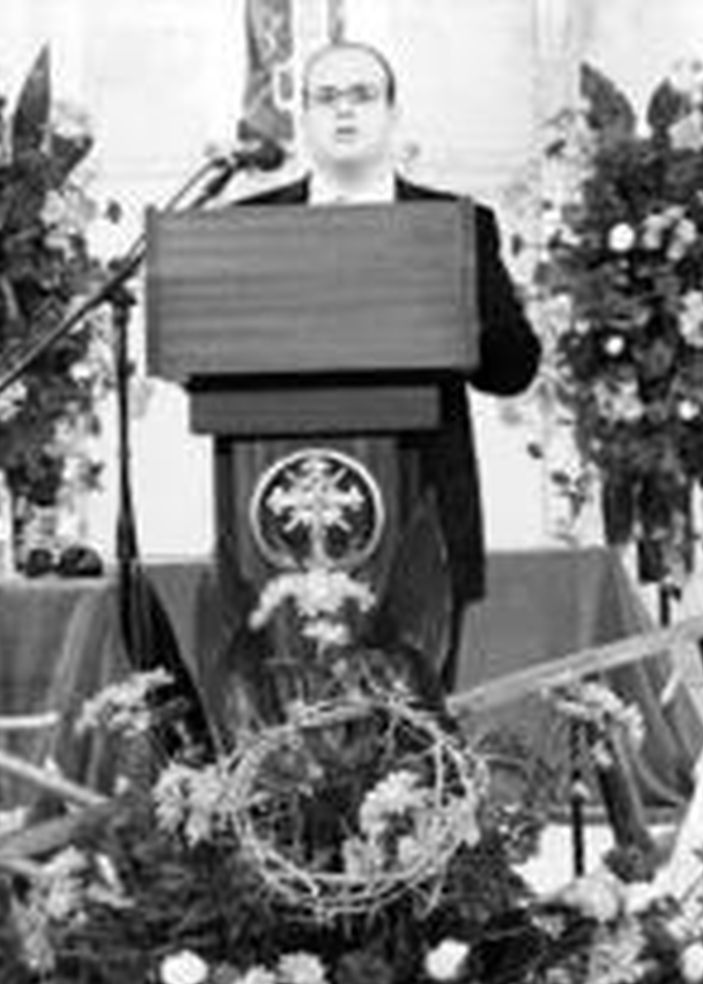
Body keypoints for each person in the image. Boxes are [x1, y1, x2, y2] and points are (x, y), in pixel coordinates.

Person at [238, 41, 541, 692]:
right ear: (304, 118)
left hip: (421, 517)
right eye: (326, 97)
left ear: (392, 112)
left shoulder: (456, 225)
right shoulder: (244, 228)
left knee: (418, 729)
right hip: (278, 518)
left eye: (362, 95)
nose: (344, 112)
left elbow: (514, 370)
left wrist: (461, 307)